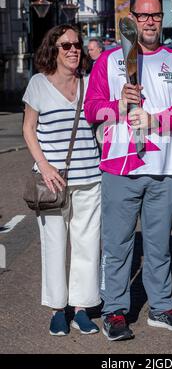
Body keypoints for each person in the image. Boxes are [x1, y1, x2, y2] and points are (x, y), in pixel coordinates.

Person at [84, 0, 172, 341]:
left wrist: (155, 121)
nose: (150, 21)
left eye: (156, 15)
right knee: (117, 244)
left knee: (158, 244)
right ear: (131, 19)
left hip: (163, 167)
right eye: (143, 15)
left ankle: (162, 307)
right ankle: (115, 311)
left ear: (162, 19)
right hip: (120, 165)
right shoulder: (110, 60)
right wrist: (118, 105)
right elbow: (91, 109)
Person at [23, 24, 102, 336]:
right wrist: (44, 166)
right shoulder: (38, 84)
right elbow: (29, 129)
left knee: (87, 246)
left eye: (77, 45)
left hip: (90, 177)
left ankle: (82, 309)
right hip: (52, 182)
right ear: (52, 50)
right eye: (66, 45)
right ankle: (58, 309)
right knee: (54, 245)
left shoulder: (88, 83)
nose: (73, 50)